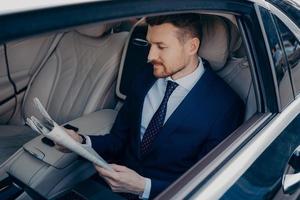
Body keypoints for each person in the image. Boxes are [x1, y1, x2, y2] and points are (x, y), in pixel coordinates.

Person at [57, 14, 245, 199]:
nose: (149, 56)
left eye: (161, 47)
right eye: (150, 45)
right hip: (107, 187)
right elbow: (119, 139)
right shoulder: (146, 76)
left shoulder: (225, 106)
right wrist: (81, 142)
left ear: (191, 47)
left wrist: (143, 187)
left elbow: (206, 181)